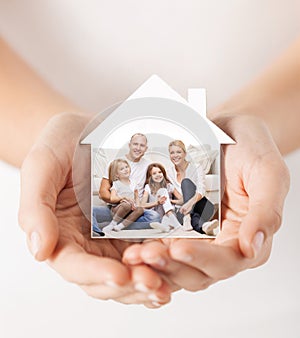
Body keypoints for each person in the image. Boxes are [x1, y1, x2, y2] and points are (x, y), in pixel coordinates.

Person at [2, 34, 299, 306]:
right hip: (32, 285)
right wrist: (51, 139)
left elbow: (175, 199)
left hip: (270, 276)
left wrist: (242, 130)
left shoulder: (178, 175)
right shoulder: (130, 173)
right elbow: (133, 194)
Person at [93, 133, 161, 233]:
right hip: (116, 207)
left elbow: (156, 182)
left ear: (146, 148)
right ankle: (101, 230)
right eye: (135, 144)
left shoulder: (148, 165)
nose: (138, 148)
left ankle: (117, 225)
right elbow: (103, 192)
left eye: (142, 145)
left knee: (154, 217)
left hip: (135, 210)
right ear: (129, 145)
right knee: (89, 211)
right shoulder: (115, 163)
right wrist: (121, 201)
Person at [167, 140, 219, 235]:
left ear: (185, 154)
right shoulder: (168, 173)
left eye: (178, 152)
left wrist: (189, 203)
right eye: (172, 153)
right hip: (182, 211)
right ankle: (204, 226)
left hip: (202, 207)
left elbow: (201, 190)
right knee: (192, 217)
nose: (175, 155)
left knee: (186, 182)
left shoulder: (196, 167)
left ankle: (188, 216)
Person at [102, 159, 144, 233]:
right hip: (118, 209)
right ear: (117, 174)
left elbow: (136, 197)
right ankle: (112, 224)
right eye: (122, 169)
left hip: (130, 209)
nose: (125, 170)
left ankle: (120, 226)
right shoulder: (116, 184)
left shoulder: (134, 183)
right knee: (126, 205)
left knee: (140, 209)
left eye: (126, 167)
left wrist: (137, 205)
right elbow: (112, 198)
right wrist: (123, 198)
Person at [141, 163, 183, 232]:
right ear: (150, 176)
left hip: (169, 214)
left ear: (163, 173)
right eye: (154, 173)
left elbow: (182, 200)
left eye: (160, 172)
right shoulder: (148, 187)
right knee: (162, 191)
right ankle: (177, 225)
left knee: (167, 218)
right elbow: (142, 205)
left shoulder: (169, 186)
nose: (158, 174)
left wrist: (170, 201)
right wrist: (157, 202)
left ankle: (165, 227)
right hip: (156, 213)